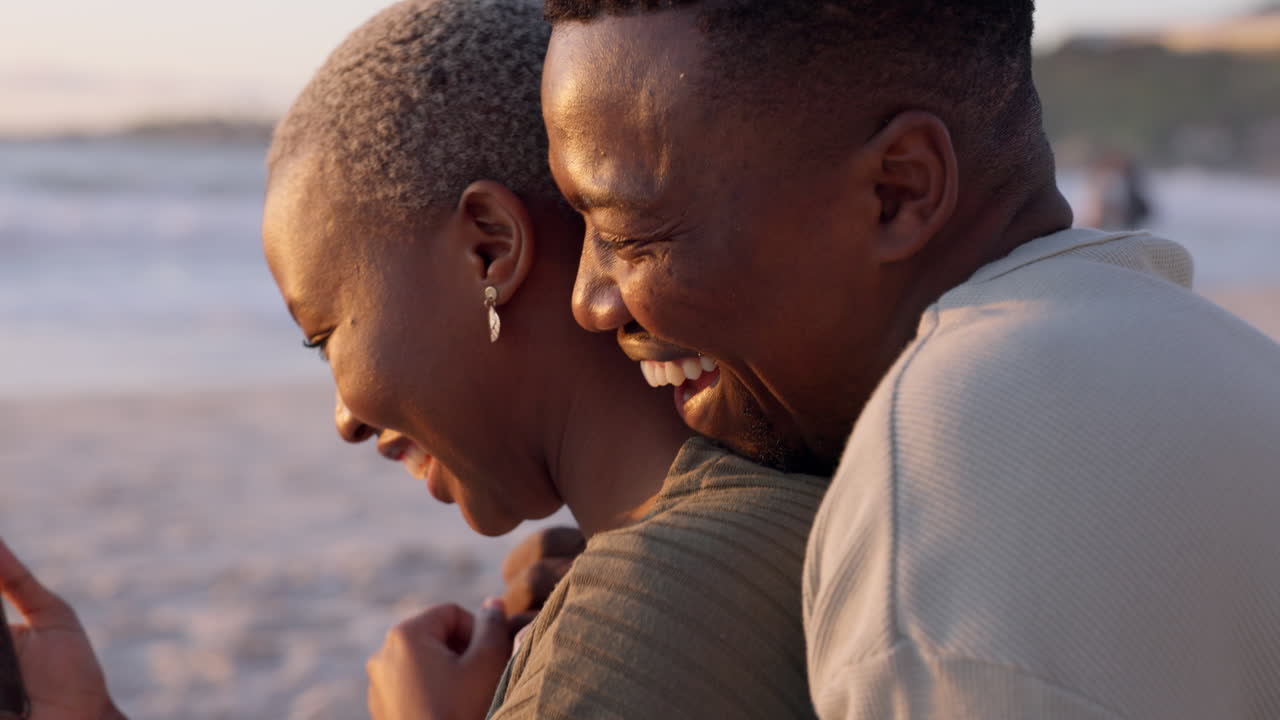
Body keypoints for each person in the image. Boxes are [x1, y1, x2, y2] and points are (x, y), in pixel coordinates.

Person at [0, 1, 825, 719]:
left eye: (324, 334)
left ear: (488, 248)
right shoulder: (788, 509)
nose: (344, 419)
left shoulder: (630, 629)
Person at [541, 1, 1280, 718]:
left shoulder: (937, 520)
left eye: (630, 234)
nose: (589, 300)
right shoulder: (1220, 356)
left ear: (897, 191)